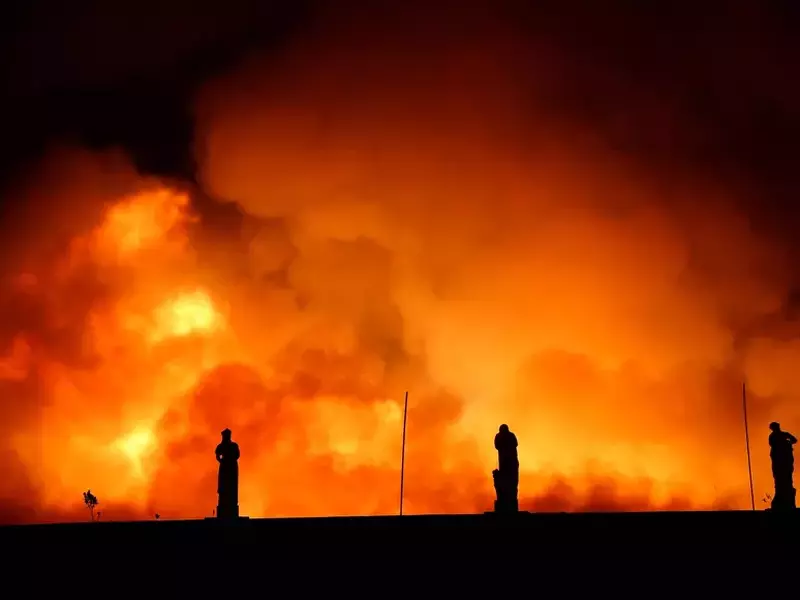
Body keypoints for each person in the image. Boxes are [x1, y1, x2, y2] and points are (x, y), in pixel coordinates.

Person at [768, 422, 797, 510]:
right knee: (780, 479)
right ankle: (783, 495)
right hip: (780, 461)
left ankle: (785, 496)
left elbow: (794, 440)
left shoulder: (780, 435)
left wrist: (788, 443)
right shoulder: (778, 436)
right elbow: (773, 445)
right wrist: (787, 443)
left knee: (784, 478)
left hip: (784, 461)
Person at [216, 428, 241, 518]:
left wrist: (229, 459)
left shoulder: (234, 445)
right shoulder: (220, 446)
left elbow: (237, 455)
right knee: (223, 486)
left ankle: (232, 503)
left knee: (232, 486)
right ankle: (223, 503)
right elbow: (217, 455)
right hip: (224, 468)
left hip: (232, 468)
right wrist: (222, 461)